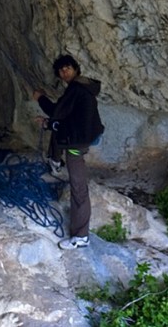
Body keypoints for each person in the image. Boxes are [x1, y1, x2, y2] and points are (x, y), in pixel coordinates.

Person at [32, 54, 104, 249]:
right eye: (61, 70)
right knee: (57, 133)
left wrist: (40, 98)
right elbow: (67, 117)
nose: (64, 73)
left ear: (75, 69)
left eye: (67, 69)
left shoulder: (76, 89)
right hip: (83, 134)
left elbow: (57, 111)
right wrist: (49, 124)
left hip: (77, 143)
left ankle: (81, 236)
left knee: (78, 188)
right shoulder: (84, 86)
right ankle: (55, 161)